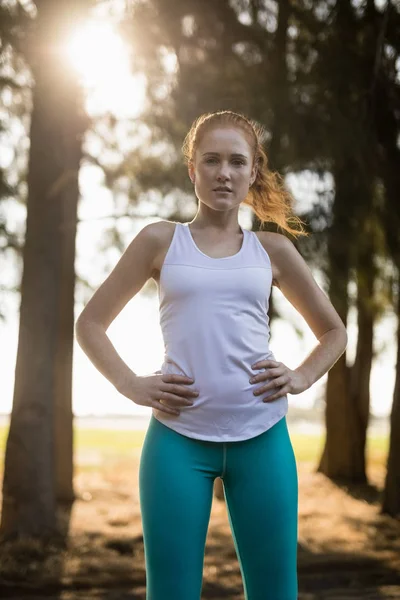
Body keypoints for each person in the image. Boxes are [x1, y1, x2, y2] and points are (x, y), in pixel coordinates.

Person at [75, 110, 348, 600]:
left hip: (262, 437)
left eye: (237, 162)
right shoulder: (160, 241)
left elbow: (333, 332)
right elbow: (90, 323)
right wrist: (130, 384)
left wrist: (303, 376)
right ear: (192, 170)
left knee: (275, 593)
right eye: (212, 160)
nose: (224, 172)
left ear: (252, 173)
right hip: (177, 442)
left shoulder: (273, 251)